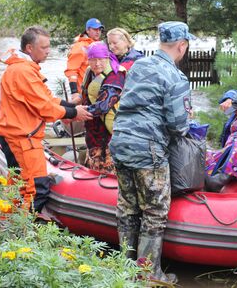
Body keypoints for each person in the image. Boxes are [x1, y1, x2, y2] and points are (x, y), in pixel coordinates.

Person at [110, 21, 195, 284]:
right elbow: (178, 125)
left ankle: (126, 269)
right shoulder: (175, 77)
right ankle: (149, 274)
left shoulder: (139, 66)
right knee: (154, 212)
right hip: (149, 151)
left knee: (127, 207)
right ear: (181, 46)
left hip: (121, 142)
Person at [0, 26, 92, 212]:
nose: (48, 51)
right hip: (20, 136)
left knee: (20, 185)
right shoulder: (23, 72)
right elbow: (44, 107)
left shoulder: (25, 69)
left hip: (22, 134)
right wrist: (74, 114)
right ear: (29, 48)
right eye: (44, 47)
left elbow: (46, 99)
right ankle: (22, 232)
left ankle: (10, 225)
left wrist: (70, 106)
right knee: (36, 188)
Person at [82, 42, 127, 172]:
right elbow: (86, 97)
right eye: (93, 59)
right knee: (92, 170)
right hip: (92, 132)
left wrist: (73, 113)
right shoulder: (90, 72)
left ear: (107, 57)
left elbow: (103, 105)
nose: (97, 63)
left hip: (109, 135)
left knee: (108, 172)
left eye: (101, 59)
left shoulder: (116, 75)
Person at [65, 18, 104, 104]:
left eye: (99, 29)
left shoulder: (98, 45)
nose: (98, 32)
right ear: (87, 30)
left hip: (96, 90)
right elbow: (71, 71)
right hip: (83, 93)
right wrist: (74, 92)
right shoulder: (79, 47)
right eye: (95, 29)